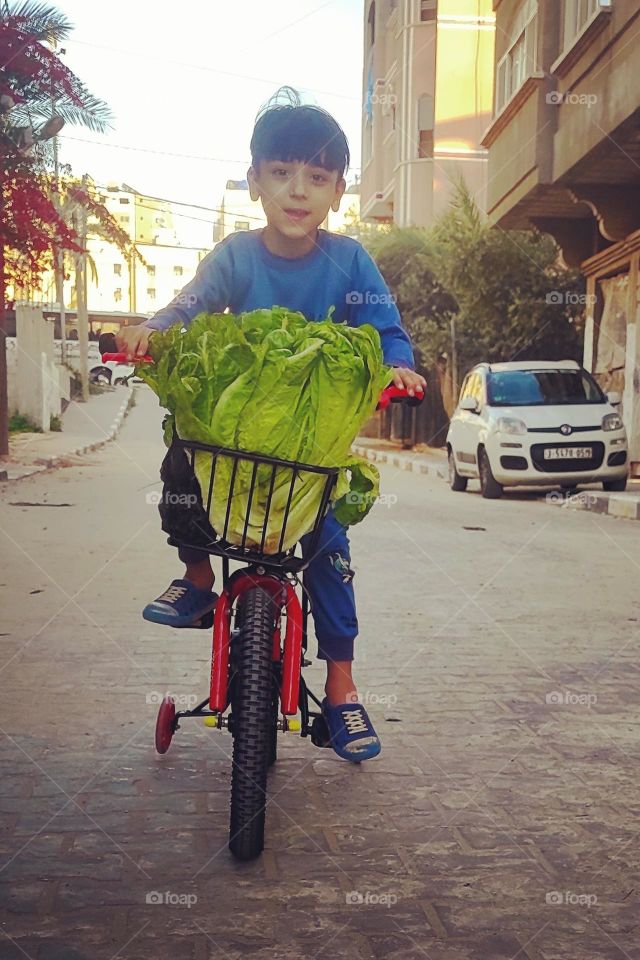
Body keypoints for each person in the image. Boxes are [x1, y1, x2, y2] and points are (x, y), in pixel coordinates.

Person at [118, 87, 426, 761]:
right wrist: (153, 329)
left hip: (310, 446)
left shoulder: (350, 262)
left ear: (338, 190)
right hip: (233, 441)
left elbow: (386, 328)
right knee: (179, 468)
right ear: (255, 178)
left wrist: (396, 367)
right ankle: (200, 581)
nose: (298, 191)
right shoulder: (236, 256)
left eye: (317, 178)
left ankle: (341, 691)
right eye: (281, 173)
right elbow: (189, 305)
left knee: (331, 557)